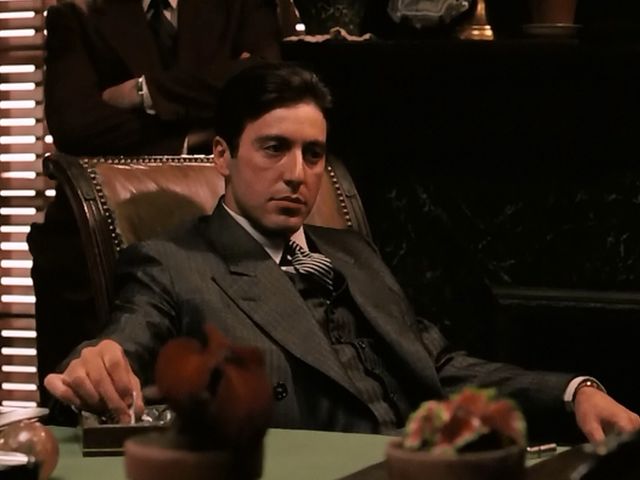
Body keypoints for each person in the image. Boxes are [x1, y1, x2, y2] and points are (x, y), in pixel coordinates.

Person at [44, 62, 640, 443]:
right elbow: (120, 343)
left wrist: (573, 393)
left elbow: (439, 367)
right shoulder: (173, 263)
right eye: (274, 148)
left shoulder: (352, 252)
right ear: (223, 156)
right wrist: (96, 366)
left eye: (313, 154)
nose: (297, 173)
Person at [43, 0, 281, 155]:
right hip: (108, 203)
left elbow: (265, 81)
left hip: (220, 193)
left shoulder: (242, 6)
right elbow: (74, 127)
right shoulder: (77, 11)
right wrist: (191, 138)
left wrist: (145, 92)